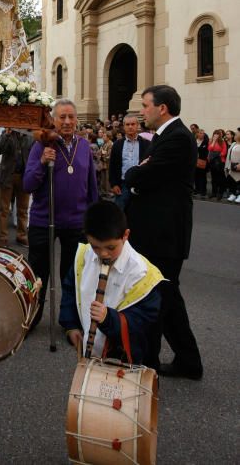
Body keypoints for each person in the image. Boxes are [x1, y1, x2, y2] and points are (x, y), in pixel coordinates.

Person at [125, 85, 203, 379]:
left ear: (162, 108)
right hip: (158, 234)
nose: (141, 111)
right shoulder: (167, 136)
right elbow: (146, 173)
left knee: (157, 299)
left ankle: (148, 365)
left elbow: (144, 175)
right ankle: (188, 361)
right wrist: (139, 174)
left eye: (145, 105)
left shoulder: (178, 138)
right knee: (168, 299)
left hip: (165, 236)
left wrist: (134, 176)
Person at [23, 98, 98, 327]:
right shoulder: (41, 146)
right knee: (36, 273)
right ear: (53, 120)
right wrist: (43, 162)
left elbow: (92, 185)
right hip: (43, 219)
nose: (67, 122)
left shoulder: (84, 146)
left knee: (72, 275)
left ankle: (70, 320)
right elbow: (28, 184)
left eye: (71, 117)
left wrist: (94, 218)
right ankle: (30, 317)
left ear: (76, 120)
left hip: (76, 222)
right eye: (62, 117)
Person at [59, 201, 163, 364]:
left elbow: (145, 321)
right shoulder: (84, 256)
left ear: (125, 235)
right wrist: (70, 325)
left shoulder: (141, 273)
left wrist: (109, 318)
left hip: (125, 361)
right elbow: (70, 290)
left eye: (111, 247)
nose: (103, 254)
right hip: (91, 353)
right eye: (96, 247)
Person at [0, 128, 34, 247]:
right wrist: (7, 134)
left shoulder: (30, 136)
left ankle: (21, 236)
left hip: (24, 177)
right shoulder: (7, 133)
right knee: (4, 209)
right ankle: (3, 238)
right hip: (7, 176)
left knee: (23, 209)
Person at [108, 114, 150, 211]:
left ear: (137, 125)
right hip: (123, 185)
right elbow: (113, 165)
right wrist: (114, 184)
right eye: (127, 124)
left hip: (140, 185)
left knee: (140, 213)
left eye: (133, 124)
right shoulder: (117, 145)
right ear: (123, 126)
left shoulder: (146, 144)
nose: (130, 127)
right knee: (119, 213)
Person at [207, 129, 227, 200]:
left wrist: (217, 155)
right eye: (214, 134)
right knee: (214, 178)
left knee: (220, 178)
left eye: (217, 134)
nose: (216, 135)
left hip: (220, 162)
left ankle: (220, 193)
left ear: (220, 135)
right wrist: (214, 141)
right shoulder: (211, 141)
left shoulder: (223, 142)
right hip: (213, 162)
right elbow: (210, 148)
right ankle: (214, 193)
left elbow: (224, 152)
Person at [225, 129, 240, 203]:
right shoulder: (234, 144)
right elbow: (229, 155)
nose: (235, 135)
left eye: (237, 134)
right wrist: (228, 165)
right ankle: (233, 194)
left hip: (239, 166)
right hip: (232, 166)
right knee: (232, 181)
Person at [194, 128, 209, 197]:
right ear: (197, 134)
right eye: (200, 133)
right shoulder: (194, 141)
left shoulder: (206, 142)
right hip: (194, 161)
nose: (201, 134)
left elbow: (207, 152)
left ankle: (203, 191)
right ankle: (197, 190)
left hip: (202, 162)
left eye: (203, 133)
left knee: (202, 177)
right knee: (196, 176)